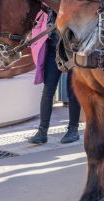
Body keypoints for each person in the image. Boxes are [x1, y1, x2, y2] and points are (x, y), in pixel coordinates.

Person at [28, 11, 81, 144]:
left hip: (73, 50)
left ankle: (73, 129)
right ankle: (42, 131)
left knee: (73, 92)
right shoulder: (49, 3)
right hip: (53, 49)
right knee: (48, 90)